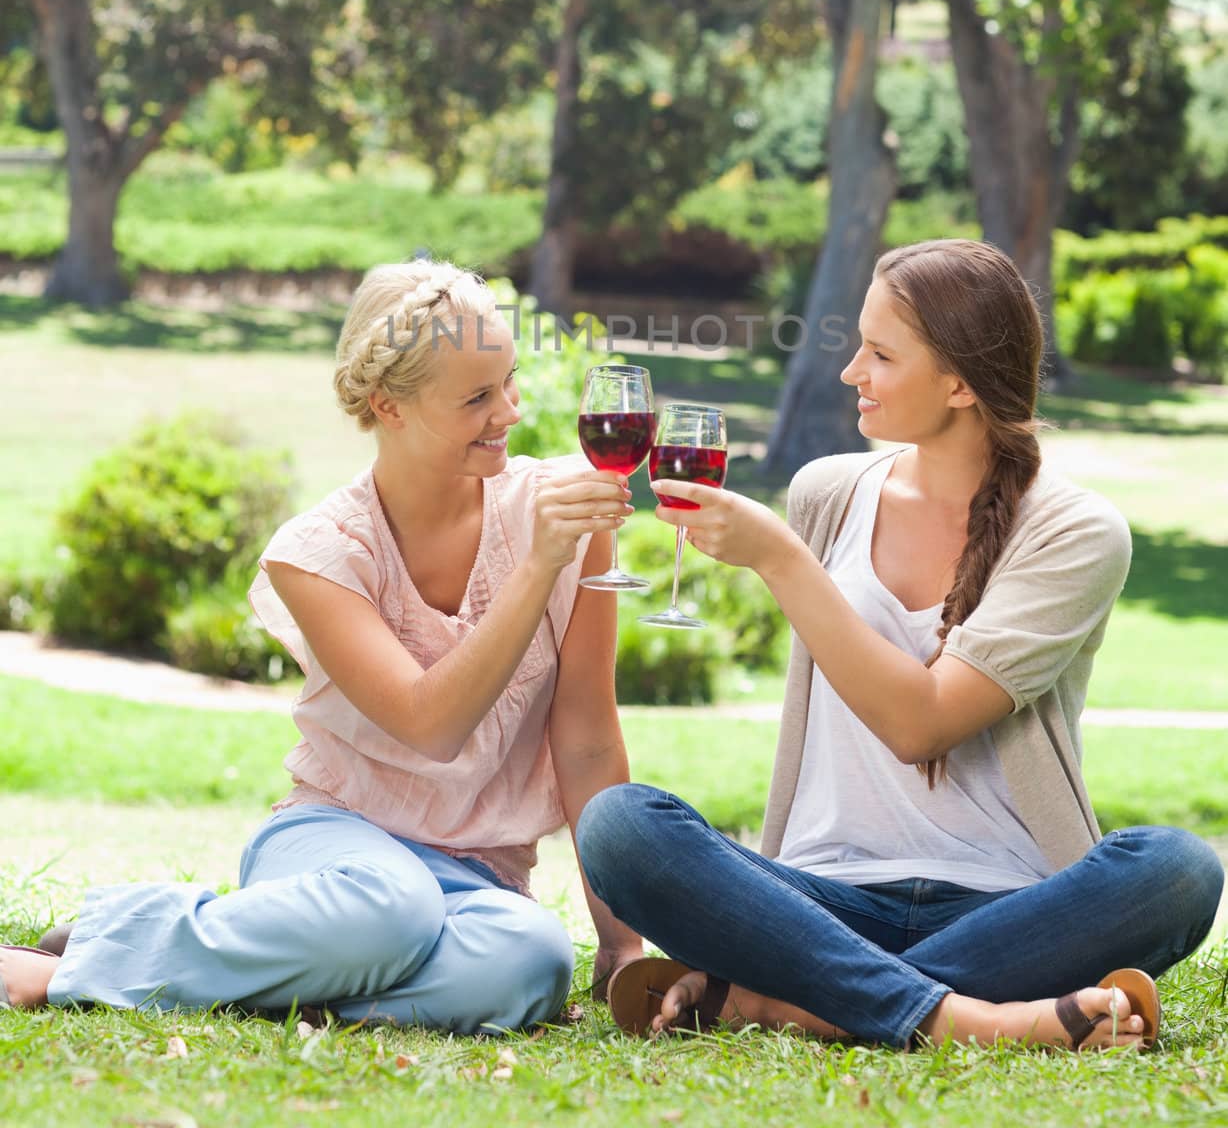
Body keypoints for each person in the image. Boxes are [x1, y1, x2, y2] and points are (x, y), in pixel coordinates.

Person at [577, 239, 1224, 1053]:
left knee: (1178, 870)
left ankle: (780, 1002)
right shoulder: (829, 493)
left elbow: (923, 723)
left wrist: (779, 558)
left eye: (881, 354)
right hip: (817, 895)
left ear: (959, 384)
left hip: (1008, 904)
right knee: (620, 826)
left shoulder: (1075, 531)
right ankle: (978, 1021)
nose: (852, 372)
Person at [1, 262, 644, 1032]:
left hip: (479, 878)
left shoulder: (564, 517)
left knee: (532, 960)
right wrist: (538, 565)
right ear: (388, 406)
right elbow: (429, 723)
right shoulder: (320, 552)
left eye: (508, 382)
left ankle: (247, 976)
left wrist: (621, 941)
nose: (508, 411)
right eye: (477, 397)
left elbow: (587, 744)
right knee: (391, 911)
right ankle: (104, 948)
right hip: (336, 845)